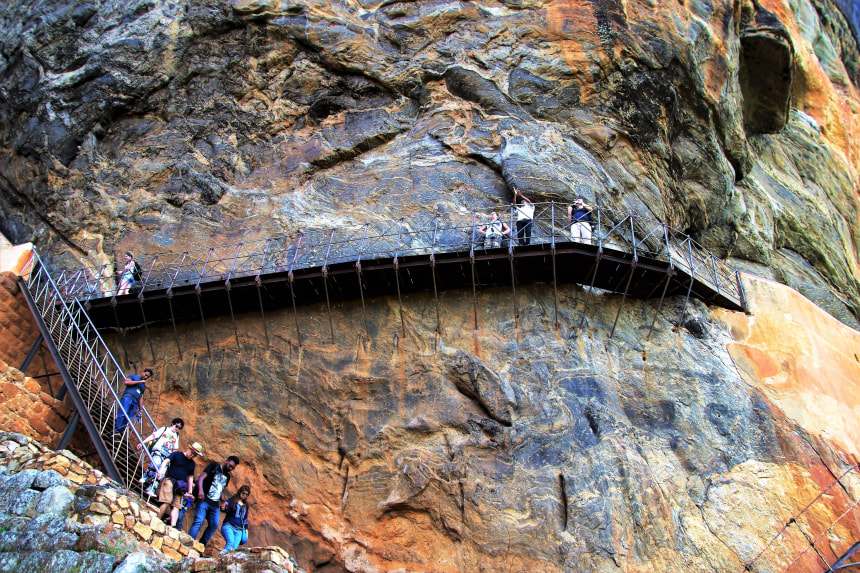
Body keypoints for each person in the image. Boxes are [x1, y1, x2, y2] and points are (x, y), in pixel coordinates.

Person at [188, 455, 241, 547]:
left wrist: (224, 500)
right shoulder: (214, 466)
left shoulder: (227, 476)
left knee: (214, 524)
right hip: (204, 499)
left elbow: (220, 489)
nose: (230, 468)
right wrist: (200, 491)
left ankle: (201, 545)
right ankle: (188, 543)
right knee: (199, 520)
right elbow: (201, 478)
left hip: (214, 504)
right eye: (230, 465)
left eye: (232, 468)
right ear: (227, 461)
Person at [156, 442, 203, 528]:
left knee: (177, 506)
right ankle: (157, 520)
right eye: (192, 453)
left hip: (180, 486)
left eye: (195, 455)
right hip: (170, 479)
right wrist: (162, 470)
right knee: (167, 501)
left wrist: (189, 491)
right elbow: (166, 461)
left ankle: (173, 527)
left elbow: (190, 478)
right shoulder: (177, 454)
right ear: (189, 449)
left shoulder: (192, 464)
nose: (192, 456)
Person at [137, 417, 184, 496]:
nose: (177, 429)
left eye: (179, 428)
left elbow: (175, 449)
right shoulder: (165, 429)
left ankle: (152, 488)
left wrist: (172, 458)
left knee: (162, 471)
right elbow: (153, 436)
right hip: (158, 450)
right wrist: (142, 442)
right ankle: (146, 476)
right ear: (172, 424)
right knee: (157, 462)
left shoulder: (176, 436)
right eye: (176, 426)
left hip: (167, 455)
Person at [114, 368, 152, 435]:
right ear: (142, 372)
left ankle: (120, 432)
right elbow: (126, 382)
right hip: (128, 397)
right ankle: (117, 431)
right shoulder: (133, 376)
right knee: (123, 413)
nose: (145, 377)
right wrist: (139, 382)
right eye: (145, 375)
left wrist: (140, 409)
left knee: (128, 418)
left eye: (147, 377)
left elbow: (141, 397)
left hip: (135, 402)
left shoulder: (143, 386)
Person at [219, 485, 251, 555]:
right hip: (229, 525)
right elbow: (226, 505)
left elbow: (245, 518)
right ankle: (221, 560)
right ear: (239, 492)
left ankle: (227, 563)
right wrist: (224, 506)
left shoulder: (246, 505)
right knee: (230, 542)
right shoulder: (233, 500)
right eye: (243, 493)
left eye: (246, 494)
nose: (244, 496)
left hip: (239, 529)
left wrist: (246, 530)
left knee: (234, 548)